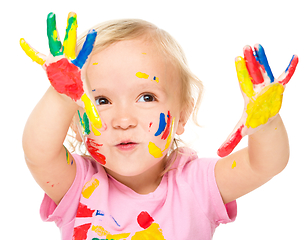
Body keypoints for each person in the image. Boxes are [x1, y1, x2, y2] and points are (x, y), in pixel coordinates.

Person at [21, 12, 298, 239]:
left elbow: (264, 164)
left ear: (183, 114)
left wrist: (267, 122)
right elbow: (39, 152)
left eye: (146, 97)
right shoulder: (78, 184)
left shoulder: (197, 185)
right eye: (102, 100)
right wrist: (61, 94)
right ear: (76, 120)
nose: (123, 121)